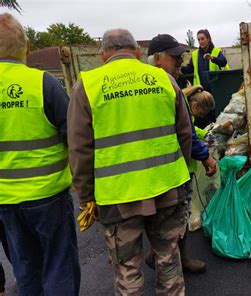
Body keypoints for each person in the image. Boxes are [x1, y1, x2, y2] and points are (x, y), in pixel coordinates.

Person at [68, 29, 192, 295]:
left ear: (103, 56)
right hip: (167, 189)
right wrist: (179, 173)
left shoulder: (87, 86)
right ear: (137, 52)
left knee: (127, 270)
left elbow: (80, 150)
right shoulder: (164, 80)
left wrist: (87, 196)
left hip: (117, 197)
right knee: (169, 263)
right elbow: (185, 135)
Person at [0, 13, 80, 295]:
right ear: (26, 46)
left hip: (5, 201)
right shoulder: (43, 84)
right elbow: (73, 137)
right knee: (59, 266)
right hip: (48, 197)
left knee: (25, 268)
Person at [146, 34, 217, 274]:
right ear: (157, 58)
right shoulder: (166, 86)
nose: (180, 61)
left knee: (162, 218)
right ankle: (175, 259)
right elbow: (185, 132)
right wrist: (205, 156)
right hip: (175, 169)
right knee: (178, 216)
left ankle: (160, 254)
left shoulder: (154, 86)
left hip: (155, 169)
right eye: (174, 57)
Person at [181, 29, 229, 127]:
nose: (200, 41)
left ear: (208, 39)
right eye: (198, 39)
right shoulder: (195, 54)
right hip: (201, 92)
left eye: (202, 39)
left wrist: (212, 58)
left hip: (215, 90)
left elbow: (223, 62)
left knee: (215, 116)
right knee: (202, 118)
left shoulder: (216, 51)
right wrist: (179, 68)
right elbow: (190, 68)